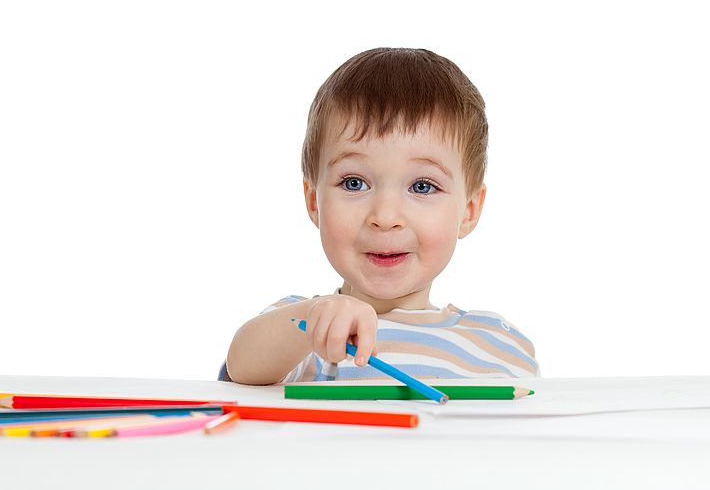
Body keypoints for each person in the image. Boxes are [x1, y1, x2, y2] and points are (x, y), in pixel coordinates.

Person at [222, 47, 538, 384]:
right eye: (354, 183)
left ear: (469, 211)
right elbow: (240, 367)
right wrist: (312, 317)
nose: (385, 217)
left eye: (422, 187)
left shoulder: (498, 345)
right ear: (314, 201)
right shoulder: (303, 330)